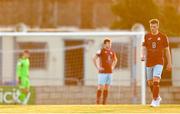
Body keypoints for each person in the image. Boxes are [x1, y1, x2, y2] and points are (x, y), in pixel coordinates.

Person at [142, 19, 172, 107]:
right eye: (151, 27)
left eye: (154, 27)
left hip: (159, 62)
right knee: (150, 83)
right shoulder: (146, 36)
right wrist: (143, 55)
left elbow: (167, 50)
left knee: (156, 80)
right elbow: (144, 47)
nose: (152, 28)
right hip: (149, 62)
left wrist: (169, 63)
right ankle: (157, 97)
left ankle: (155, 101)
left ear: (157, 26)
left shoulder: (163, 36)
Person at [93, 38, 117, 105]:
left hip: (109, 72)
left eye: (110, 43)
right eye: (108, 43)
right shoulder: (100, 51)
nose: (110, 44)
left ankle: (104, 102)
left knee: (107, 87)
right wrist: (98, 67)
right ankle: (97, 102)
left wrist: (112, 67)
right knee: (100, 87)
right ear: (105, 44)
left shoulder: (112, 51)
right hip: (102, 72)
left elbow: (115, 60)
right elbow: (94, 59)